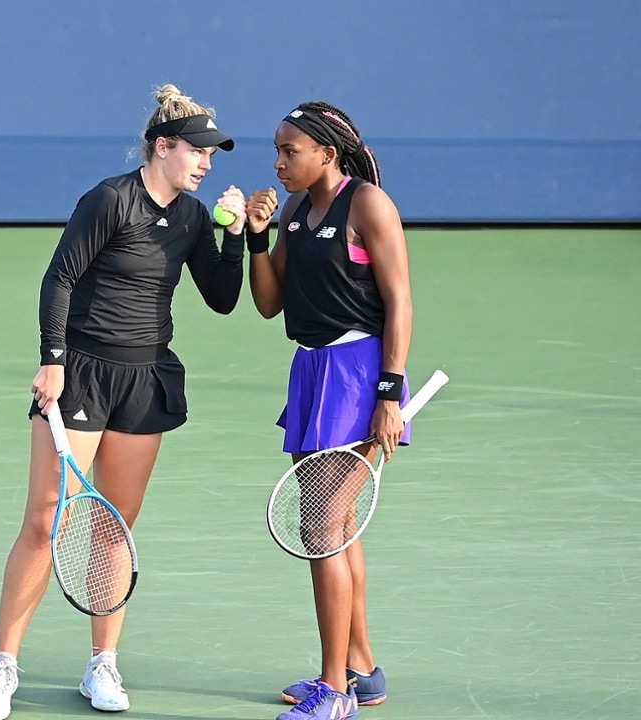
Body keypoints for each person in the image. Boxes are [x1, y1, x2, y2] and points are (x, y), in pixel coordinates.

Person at [0, 84, 248, 720]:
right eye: (197, 152)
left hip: (144, 378)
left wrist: (238, 234)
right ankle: (3, 665)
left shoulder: (192, 216)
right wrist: (53, 361)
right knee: (46, 519)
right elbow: (59, 276)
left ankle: (103, 663)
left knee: (114, 526)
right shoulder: (110, 199)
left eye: (212, 155)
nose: (206, 163)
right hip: (83, 375)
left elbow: (223, 297)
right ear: (163, 147)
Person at [244, 101, 412, 720]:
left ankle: (335, 690)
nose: (280, 163)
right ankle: (362, 670)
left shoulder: (368, 205)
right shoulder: (293, 211)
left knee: (319, 533)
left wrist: (390, 394)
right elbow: (268, 302)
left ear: (326, 155)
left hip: (361, 376)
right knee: (337, 531)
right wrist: (254, 238)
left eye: (290, 151)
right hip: (312, 372)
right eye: (278, 151)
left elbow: (400, 303)